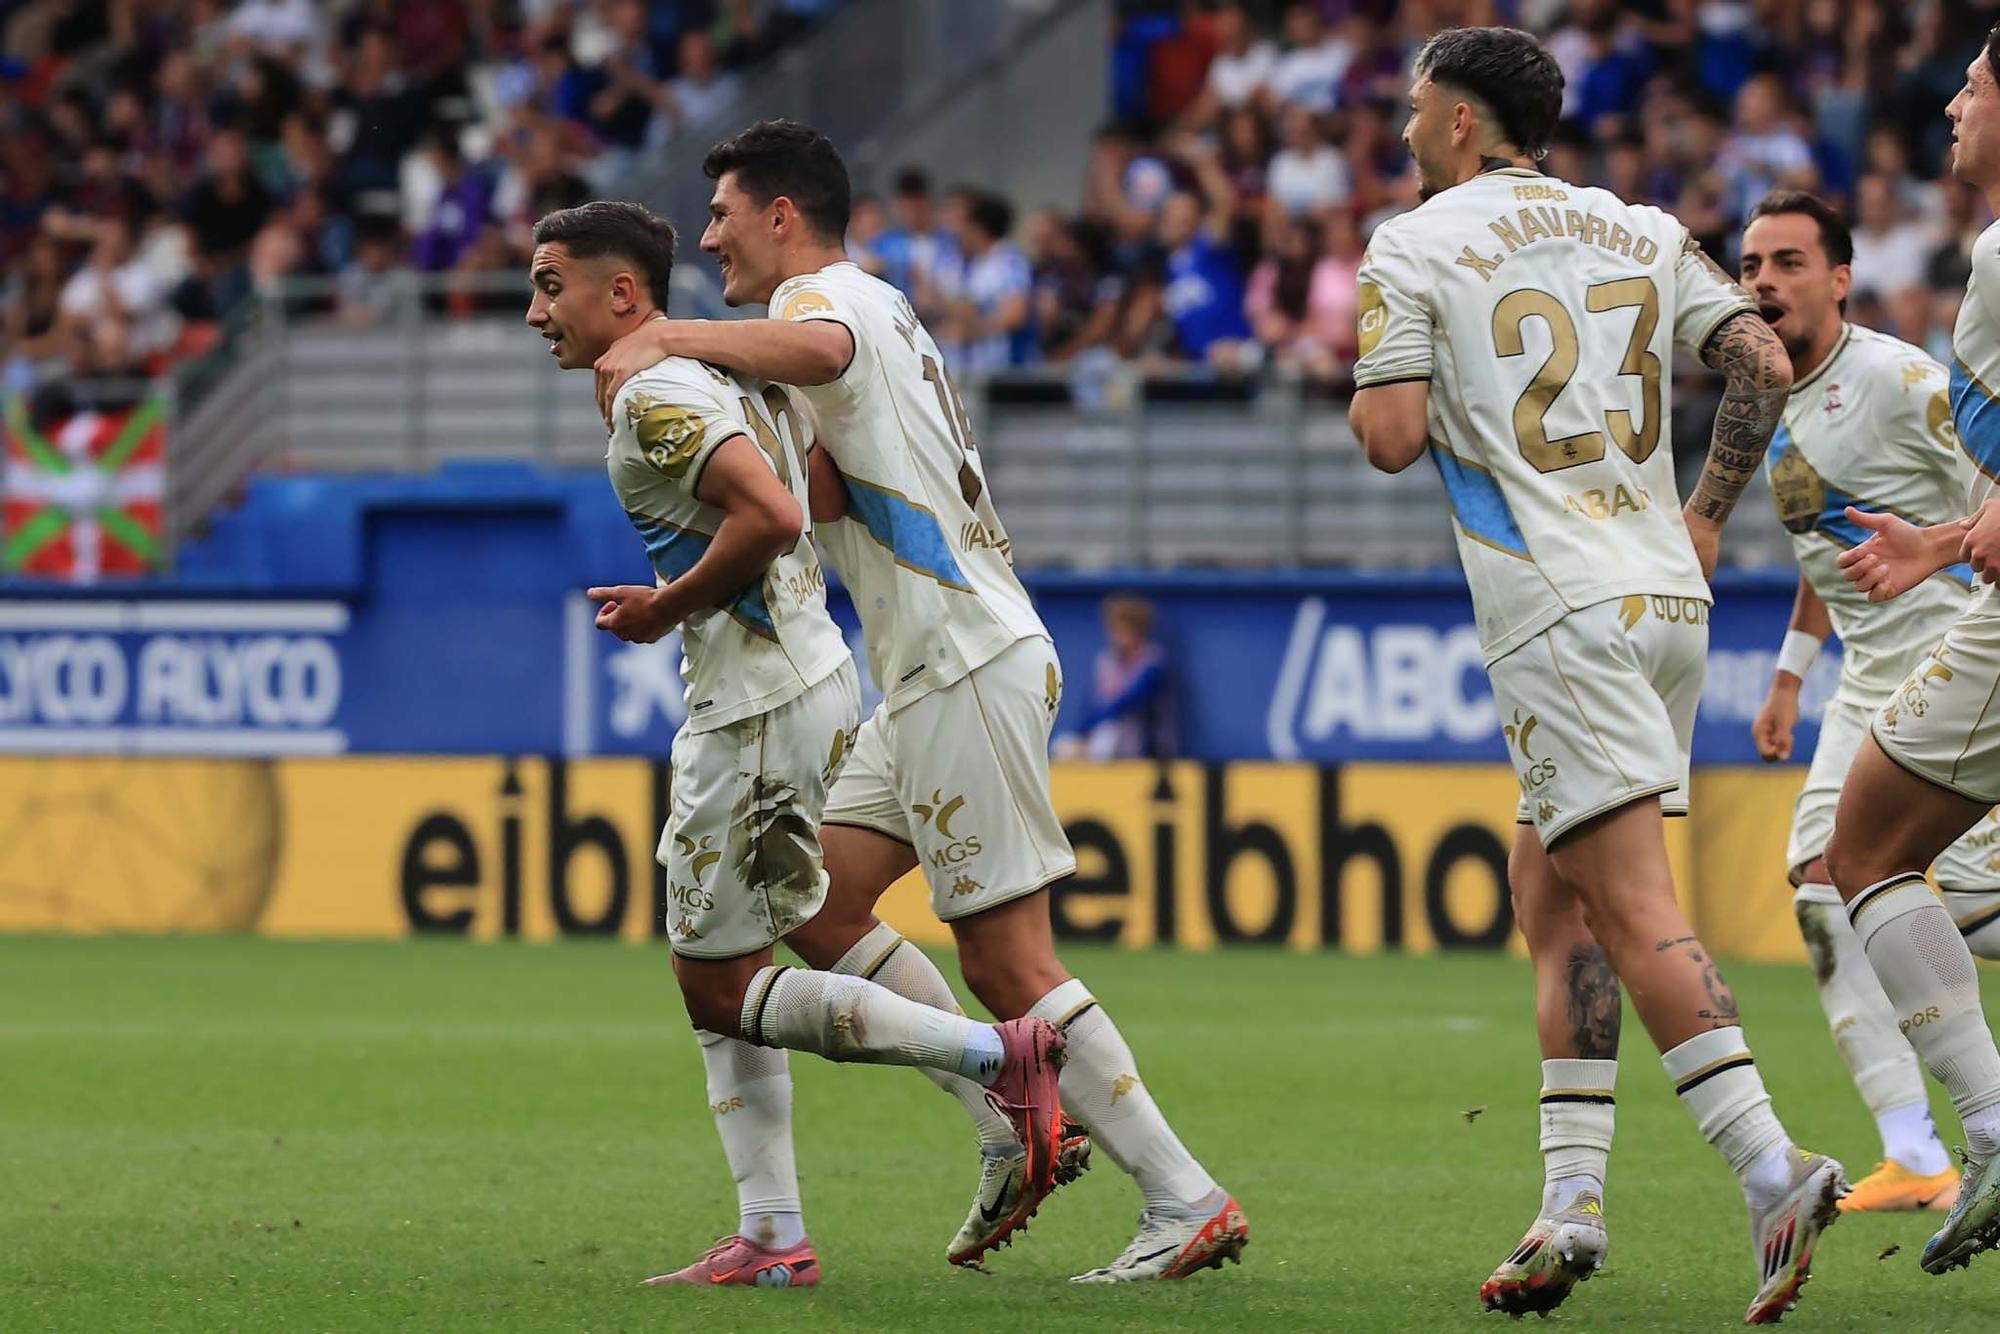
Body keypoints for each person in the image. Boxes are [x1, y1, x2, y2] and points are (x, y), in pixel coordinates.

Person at [592, 119, 1246, 1283]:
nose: (708, 237)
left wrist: (664, 337)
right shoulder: (875, 310)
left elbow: (820, 352)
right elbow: (831, 478)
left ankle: (1181, 1195)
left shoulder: (831, 300)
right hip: (928, 670)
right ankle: (1003, 1121)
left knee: (1006, 958)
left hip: (963, 656)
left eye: (724, 215)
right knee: (818, 906)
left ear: (781, 216)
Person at [1348, 28, 1844, 1323]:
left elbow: (1392, 438)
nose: (1403, 131)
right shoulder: (1636, 224)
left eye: (1414, 111)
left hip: (1556, 604)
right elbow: (1763, 361)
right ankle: (1571, 1203)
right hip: (1667, 595)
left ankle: (1772, 1167)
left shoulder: (1413, 241)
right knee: (1547, 885)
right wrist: (1709, 509)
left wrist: (1381, 377)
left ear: (1461, 124)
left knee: (1627, 903)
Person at [523, 199, 1065, 1289]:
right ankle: (771, 1229)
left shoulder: (658, 389)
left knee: (716, 985)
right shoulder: (707, 380)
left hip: (759, 704)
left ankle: (994, 1058)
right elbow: (797, 479)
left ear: (621, 294)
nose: (534, 309)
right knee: (727, 956)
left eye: (549, 284)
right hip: (796, 680)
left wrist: (666, 606)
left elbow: (770, 513)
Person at [1742, 189, 2000, 1216]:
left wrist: (1946, 558)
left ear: (1837, 278)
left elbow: (1983, 485)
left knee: (1959, 903)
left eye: (1788, 262)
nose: (1763, 280)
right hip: (1858, 671)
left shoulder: (1895, 377)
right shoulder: (1767, 401)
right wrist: (1789, 670)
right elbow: (1831, 537)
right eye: (1752, 263)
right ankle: (1916, 1151)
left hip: (1945, 650)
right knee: (1819, 884)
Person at [1825, 26, 2000, 1277]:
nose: (1950, 104)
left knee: (1862, 844)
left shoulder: (1994, 258)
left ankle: (1986, 1131)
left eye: (1975, 83)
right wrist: (1947, 535)